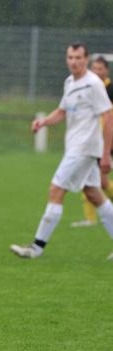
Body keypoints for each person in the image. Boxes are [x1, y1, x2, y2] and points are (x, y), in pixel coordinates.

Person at [11, 43, 113, 260]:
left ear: (86, 59)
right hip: (76, 148)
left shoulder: (93, 84)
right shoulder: (69, 82)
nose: (74, 61)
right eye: (70, 57)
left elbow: (108, 116)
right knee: (94, 194)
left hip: (84, 149)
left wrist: (106, 154)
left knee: (55, 190)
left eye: (78, 57)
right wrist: (43, 122)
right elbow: (62, 111)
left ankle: (36, 248)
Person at [71, 55, 113, 227]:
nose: (96, 72)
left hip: (108, 139)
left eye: (100, 69)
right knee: (91, 178)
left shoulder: (109, 89)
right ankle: (90, 219)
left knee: (97, 180)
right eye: (94, 68)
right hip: (95, 140)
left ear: (106, 70)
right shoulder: (90, 86)